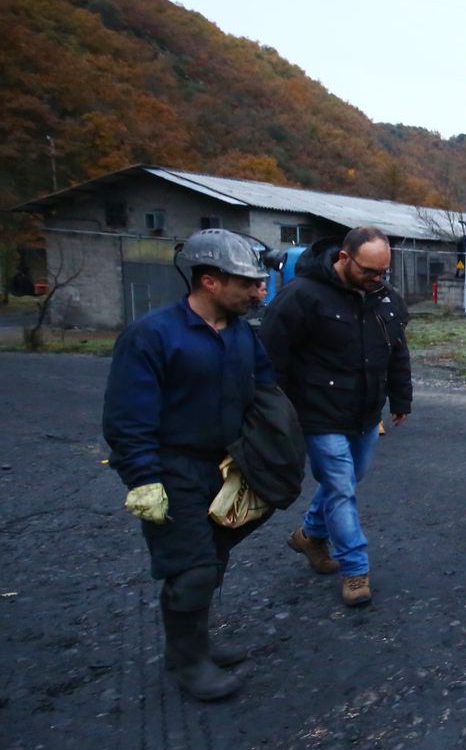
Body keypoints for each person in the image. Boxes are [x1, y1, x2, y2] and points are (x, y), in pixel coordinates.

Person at [102, 228, 275, 701]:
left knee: (212, 561)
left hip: (225, 467)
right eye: (248, 283)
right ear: (210, 281)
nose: (259, 291)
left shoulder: (242, 336)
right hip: (171, 467)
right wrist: (142, 478)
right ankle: (187, 663)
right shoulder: (152, 336)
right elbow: (126, 415)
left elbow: (266, 390)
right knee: (191, 568)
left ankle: (193, 644)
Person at [259, 226, 412, 607]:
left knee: (349, 477)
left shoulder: (385, 299)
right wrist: (274, 412)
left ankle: (310, 535)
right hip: (317, 412)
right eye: (369, 271)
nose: (376, 280)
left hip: (364, 410)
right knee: (341, 486)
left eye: (383, 272)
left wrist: (400, 398)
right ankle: (355, 569)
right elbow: (270, 359)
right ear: (344, 259)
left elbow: (396, 351)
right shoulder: (301, 297)